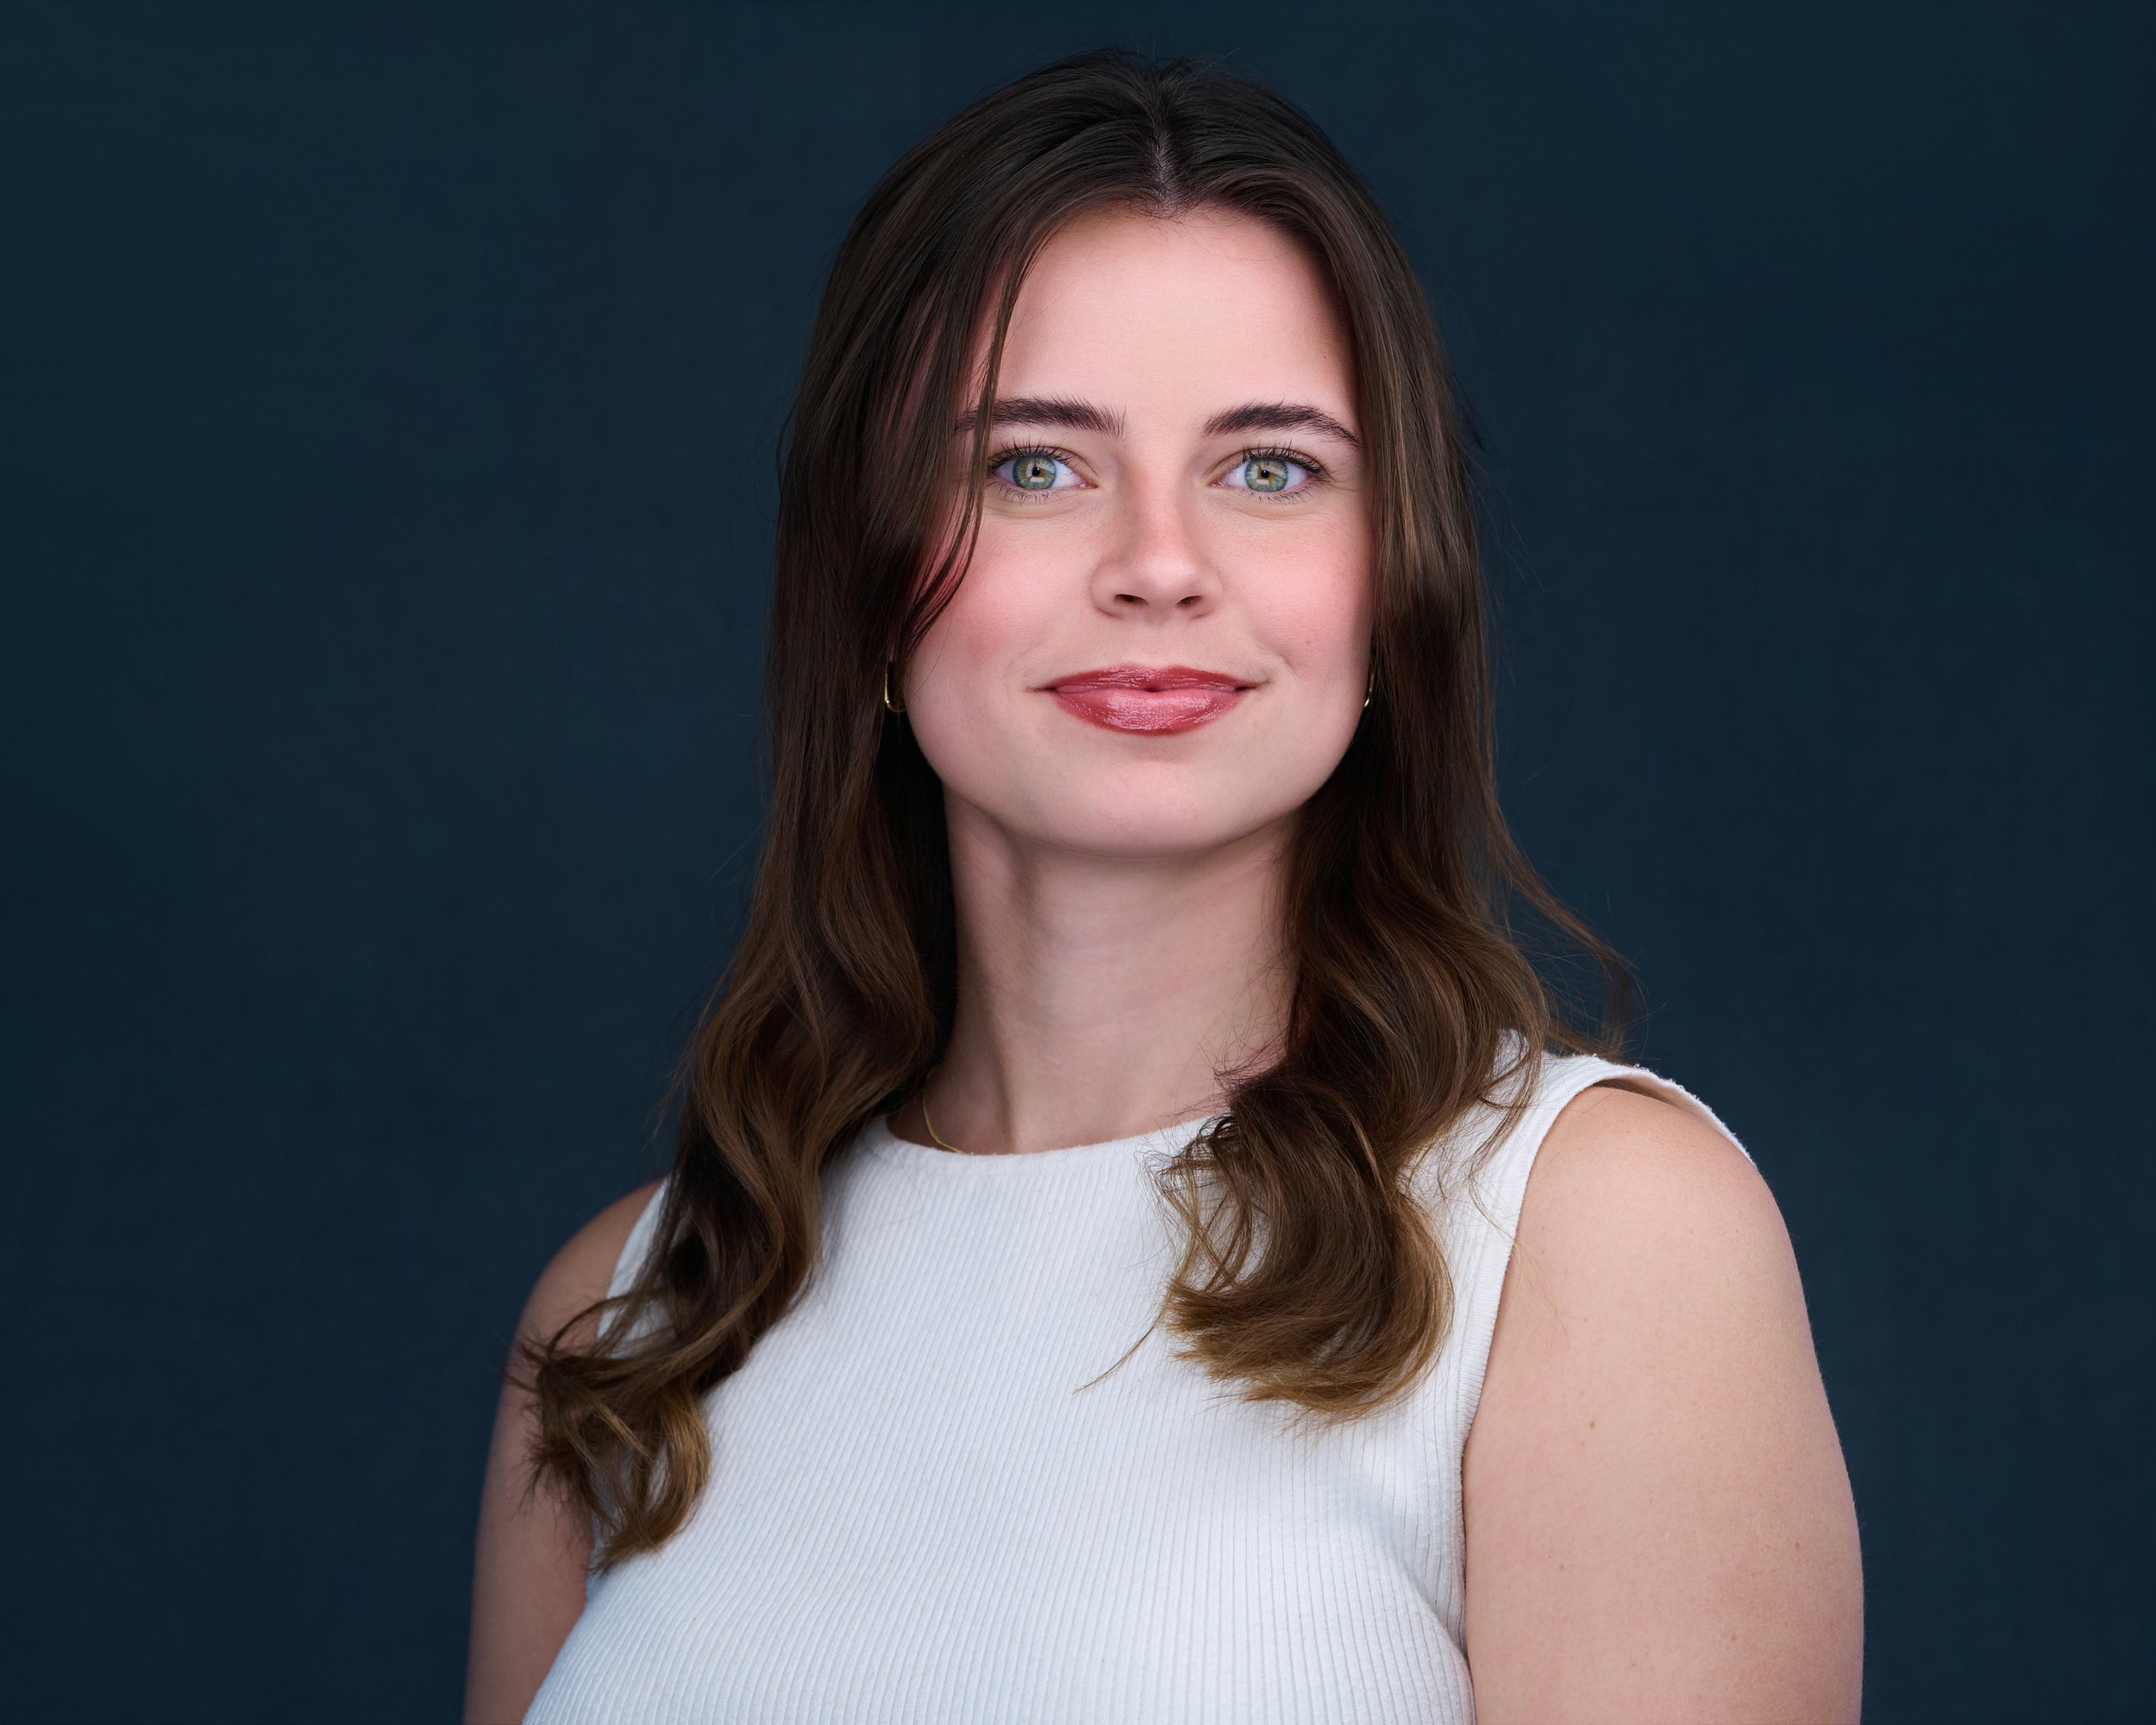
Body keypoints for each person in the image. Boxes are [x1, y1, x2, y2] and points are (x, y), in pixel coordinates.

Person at [464, 47, 1862, 1724]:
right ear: (869, 584)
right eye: (1030, 465)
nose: (1157, 563)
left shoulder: (1591, 1237)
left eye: (1267, 467)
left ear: (1390, 589)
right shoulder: (637, 1308)